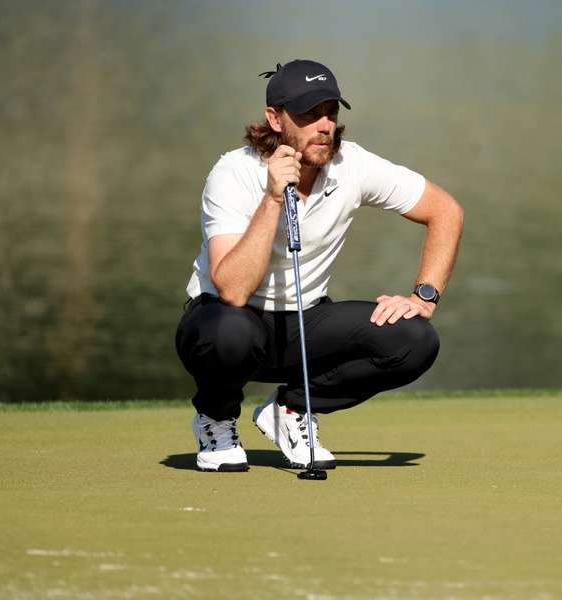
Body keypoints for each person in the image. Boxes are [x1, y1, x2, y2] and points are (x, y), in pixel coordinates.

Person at [175, 59, 463, 472]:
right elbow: (233, 290)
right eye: (309, 115)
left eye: (330, 112)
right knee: (230, 330)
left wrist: (425, 297)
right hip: (226, 322)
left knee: (415, 340)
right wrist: (273, 198)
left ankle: (290, 411)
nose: (324, 125)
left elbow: (445, 211)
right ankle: (216, 419)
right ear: (275, 119)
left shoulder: (353, 165)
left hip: (304, 324)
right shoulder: (233, 172)